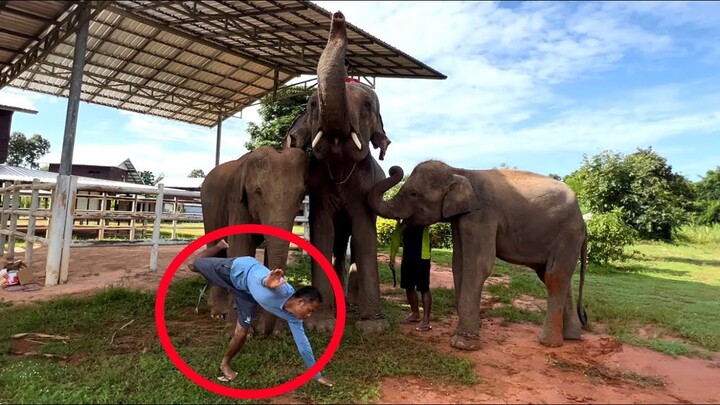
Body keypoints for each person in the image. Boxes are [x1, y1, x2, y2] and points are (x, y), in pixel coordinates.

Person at [188, 239, 334, 387]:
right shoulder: (279, 287)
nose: (309, 315)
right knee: (193, 265)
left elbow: (303, 345)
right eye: (310, 310)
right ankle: (221, 246)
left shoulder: (294, 317)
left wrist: (317, 375)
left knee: (241, 333)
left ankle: (225, 364)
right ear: (300, 302)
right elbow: (255, 273)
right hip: (237, 271)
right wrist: (265, 282)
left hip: (246, 294)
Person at [388, 221, 433, 331]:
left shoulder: (424, 214)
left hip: (422, 256)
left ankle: (426, 320)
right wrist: (392, 256)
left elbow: (431, 220)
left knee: (424, 288)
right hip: (407, 257)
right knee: (408, 286)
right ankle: (415, 314)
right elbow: (396, 236)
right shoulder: (402, 218)